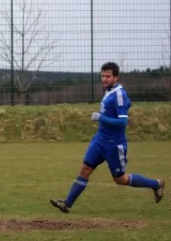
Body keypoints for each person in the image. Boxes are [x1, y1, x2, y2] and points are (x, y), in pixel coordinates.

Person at [50, 62, 165, 213]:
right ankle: (67, 204)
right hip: (100, 140)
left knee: (120, 179)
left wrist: (101, 118)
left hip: (114, 145)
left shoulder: (119, 95)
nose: (104, 79)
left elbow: (123, 122)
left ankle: (155, 184)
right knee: (85, 170)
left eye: (108, 76)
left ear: (116, 77)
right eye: (102, 76)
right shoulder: (108, 91)